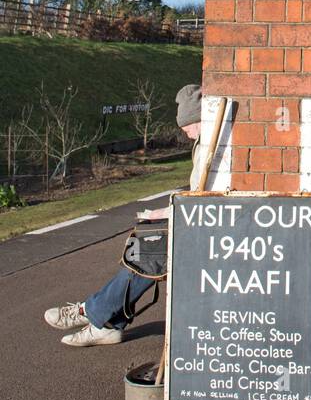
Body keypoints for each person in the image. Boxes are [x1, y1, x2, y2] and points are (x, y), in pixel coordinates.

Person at [43, 83, 206, 347]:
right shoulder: (204, 143)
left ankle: (93, 314)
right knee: (144, 247)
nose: (185, 134)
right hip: (193, 221)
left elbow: (204, 198)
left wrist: (168, 210)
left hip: (200, 228)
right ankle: (105, 321)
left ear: (197, 118)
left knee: (148, 255)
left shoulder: (210, 146)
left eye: (187, 127)